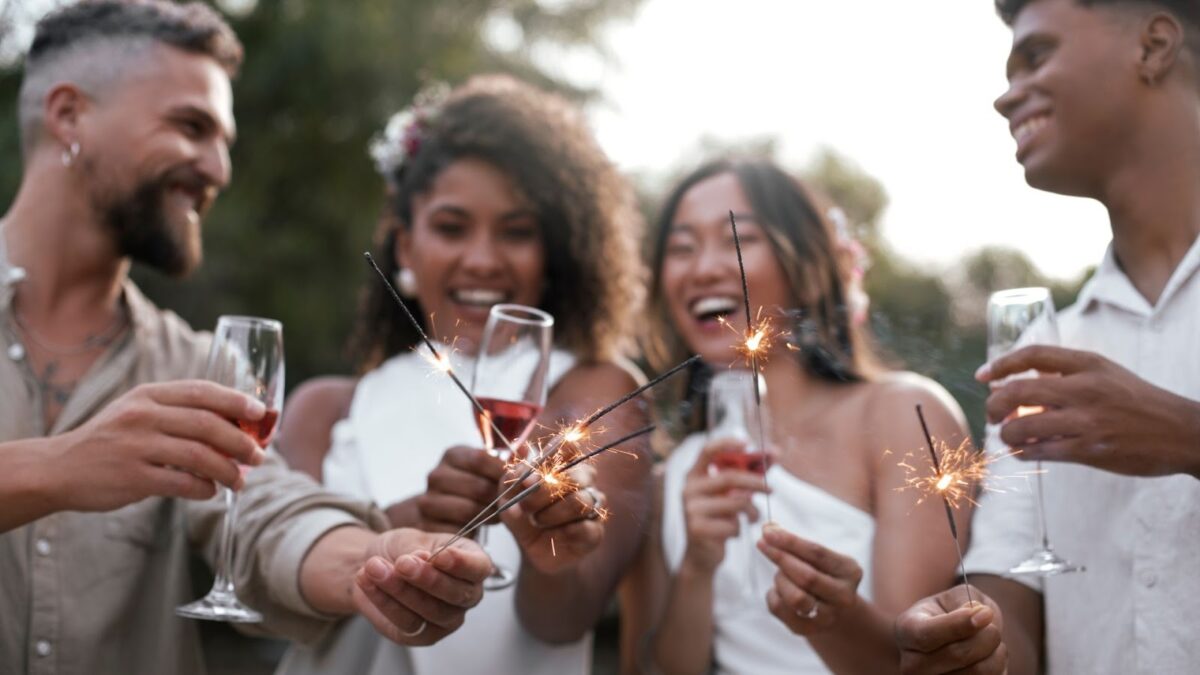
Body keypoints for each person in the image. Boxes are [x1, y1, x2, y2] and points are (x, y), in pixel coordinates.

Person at [0, 3, 491, 674]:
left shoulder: (199, 363)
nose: (218, 168)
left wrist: (367, 560)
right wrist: (58, 467)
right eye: (190, 127)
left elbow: (265, 513)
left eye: (223, 140)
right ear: (68, 115)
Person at [273, 74, 651, 674]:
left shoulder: (595, 390)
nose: (481, 259)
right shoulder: (324, 410)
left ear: (552, 254)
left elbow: (564, 621)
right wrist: (410, 523)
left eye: (517, 232)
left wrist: (551, 550)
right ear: (405, 246)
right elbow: (267, 596)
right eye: (452, 228)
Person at [894, 1, 1200, 673]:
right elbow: (1013, 595)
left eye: (1035, 56)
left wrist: (1185, 434)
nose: (1006, 97)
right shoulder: (1045, 348)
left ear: (1153, 46)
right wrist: (970, 640)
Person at [619, 158, 974, 674]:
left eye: (738, 239)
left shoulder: (904, 415)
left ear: (806, 265)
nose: (703, 268)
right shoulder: (671, 476)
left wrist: (835, 615)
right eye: (682, 248)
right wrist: (697, 566)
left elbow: (921, 662)